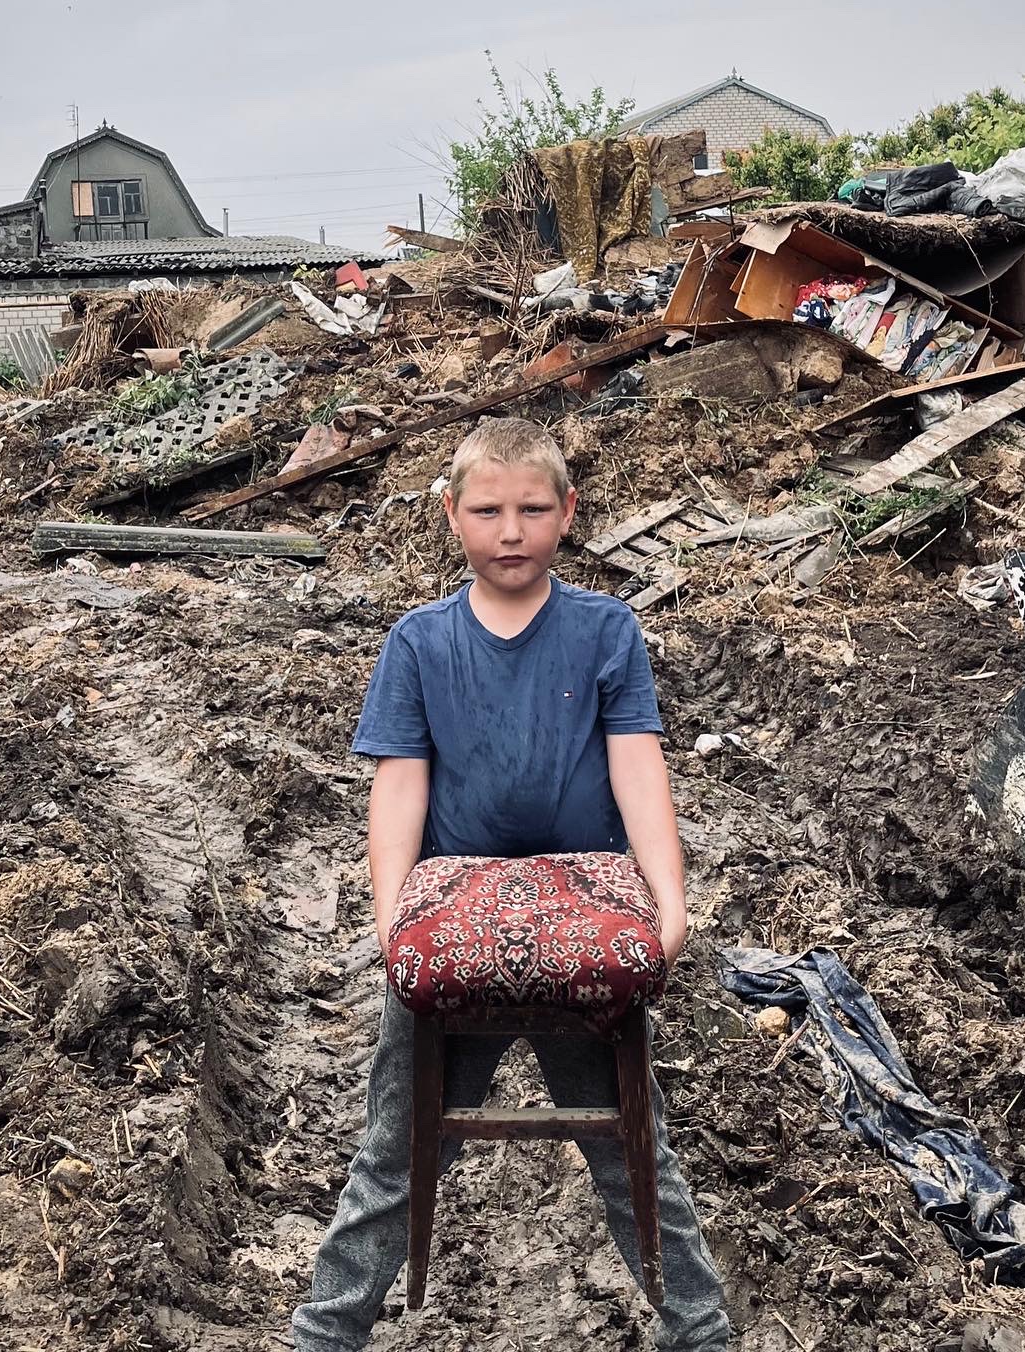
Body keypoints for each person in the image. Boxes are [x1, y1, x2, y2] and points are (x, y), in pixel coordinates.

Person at [292, 417, 732, 1351]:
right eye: (487, 509)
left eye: (534, 509)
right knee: (399, 1152)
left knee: (629, 1146)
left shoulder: (605, 630)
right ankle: (324, 1336)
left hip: (587, 920)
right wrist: (391, 915)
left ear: (568, 514)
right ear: (451, 514)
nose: (510, 531)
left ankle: (699, 1331)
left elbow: (639, 766)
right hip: (457, 917)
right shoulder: (419, 642)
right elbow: (400, 784)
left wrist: (668, 900)